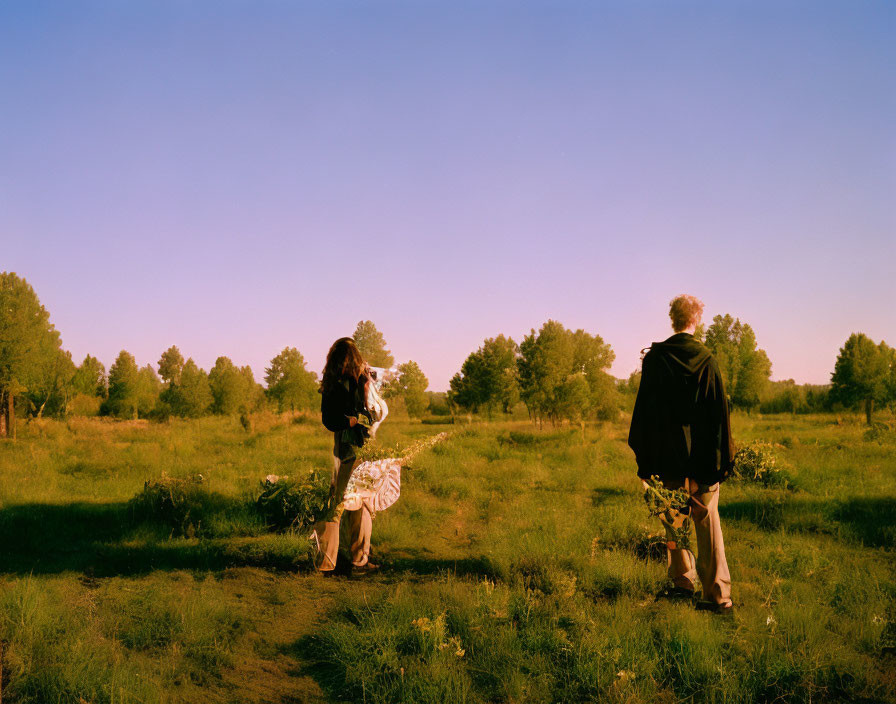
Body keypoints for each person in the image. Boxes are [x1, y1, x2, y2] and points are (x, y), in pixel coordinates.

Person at [628, 295, 735, 614]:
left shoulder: (655, 359)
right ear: (697, 320)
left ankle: (682, 583)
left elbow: (644, 413)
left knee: (674, 524)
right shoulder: (708, 360)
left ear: (672, 319)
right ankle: (719, 597)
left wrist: (645, 462)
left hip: (667, 458)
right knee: (708, 523)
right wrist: (721, 462)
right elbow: (719, 415)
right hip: (702, 458)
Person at [314, 337, 382, 574]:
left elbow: (375, 409)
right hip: (352, 450)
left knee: (355, 502)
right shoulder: (337, 383)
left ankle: (347, 560)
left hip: (353, 449)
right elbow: (330, 419)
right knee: (349, 503)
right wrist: (349, 420)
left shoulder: (358, 379)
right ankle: (339, 562)